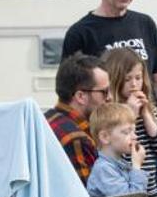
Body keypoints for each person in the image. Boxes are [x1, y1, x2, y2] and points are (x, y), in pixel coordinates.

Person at [60, 0, 157, 131]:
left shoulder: (144, 23)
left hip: (152, 131)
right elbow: (71, 99)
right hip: (110, 136)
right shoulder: (80, 33)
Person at [99, 46, 157, 194]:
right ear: (114, 79)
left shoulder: (150, 110)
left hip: (151, 190)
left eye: (138, 78)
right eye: (127, 79)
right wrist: (130, 114)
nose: (134, 84)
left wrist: (146, 114)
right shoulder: (111, 114)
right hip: (128, 190)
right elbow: (121, 153)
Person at [45, 54, 110, 183]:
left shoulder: (46, 119)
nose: (110, 98)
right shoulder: (77, 139)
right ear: (80, 96)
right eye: (104, 92)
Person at [85, 102, 151, 197]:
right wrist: (136, 166)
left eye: (134, 131)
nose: (135, 136)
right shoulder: (103, 169)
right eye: (126, 132)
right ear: (105, 137)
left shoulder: (119, 164)